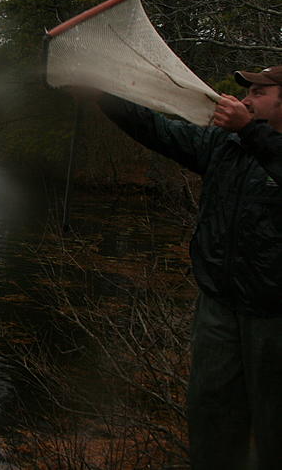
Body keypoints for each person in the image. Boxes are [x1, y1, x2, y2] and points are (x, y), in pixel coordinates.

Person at [89, 66, 282, 469]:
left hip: (274, 315)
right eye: (247, 92)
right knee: (212, 414)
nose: (245, 99)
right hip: (220, 303)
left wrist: (251, 131)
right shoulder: (225, 145)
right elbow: (158, 130)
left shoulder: (251, 139)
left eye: (259, 92)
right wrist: (102, 93)